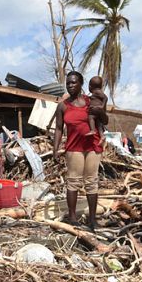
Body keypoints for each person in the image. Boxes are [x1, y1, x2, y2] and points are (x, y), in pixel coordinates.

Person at [53, 71, 108, 230]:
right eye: (68, 83)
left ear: (81, 84)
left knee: (91, 182)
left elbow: (104, 120)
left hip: (93, 146)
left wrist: (100, 111)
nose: (70, 85)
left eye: (73, 82)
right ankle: (72, 218)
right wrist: (55, 149)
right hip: (74, 147)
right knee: (73, 181)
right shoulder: (63, 106)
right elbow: (58, 129)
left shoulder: (90, 101)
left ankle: (92, 220)